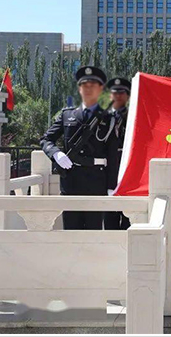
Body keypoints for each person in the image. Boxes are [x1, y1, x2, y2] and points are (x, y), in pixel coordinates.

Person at [40, 66, 114, 230]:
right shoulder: (67, 115)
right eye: (84, 85)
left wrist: (111, 185)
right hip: (71, 181)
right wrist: (56, 154)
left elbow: (113, 154)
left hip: (96, 182)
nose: (88, 89)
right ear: (79, 89)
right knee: (71, 230)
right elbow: (46, 139)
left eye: (93, 86)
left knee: (93, 231)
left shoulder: (109, 118)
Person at [104, 77, 131, 231]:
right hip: (108, 173)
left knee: (129, 218)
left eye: (122, 93)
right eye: (115, 93)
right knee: (109, 218)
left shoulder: (134, 117)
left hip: (128, 171)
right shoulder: (102, 117)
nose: (118, 96)